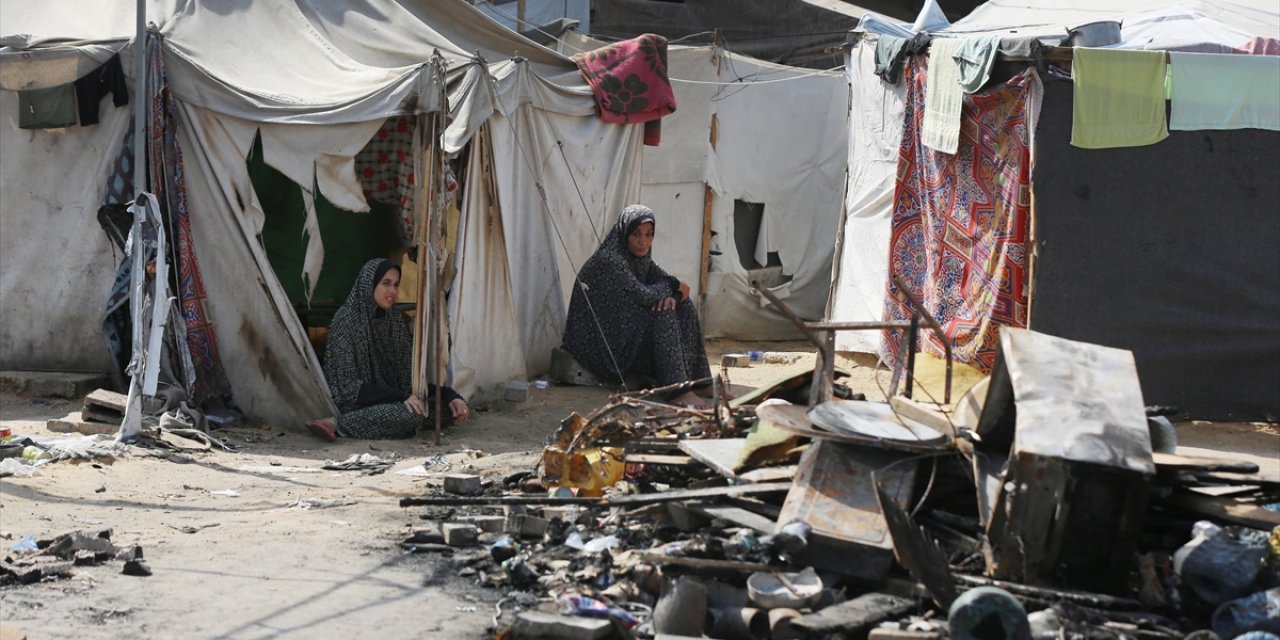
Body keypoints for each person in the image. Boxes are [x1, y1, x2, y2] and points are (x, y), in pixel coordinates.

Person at [561, 204, 713, 407]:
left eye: (649, 235)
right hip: (600, 344)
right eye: (636, 234)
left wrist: (673, 296)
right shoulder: (610, 260)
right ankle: (677, 390)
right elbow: (645, 295)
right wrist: (672, 287)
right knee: (663, 313)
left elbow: (677, 288)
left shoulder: (640, 258)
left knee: (683, 307)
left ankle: (698, 380)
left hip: (623, 331)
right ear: (624, 233)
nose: (644, 242)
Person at [307, 258, 469, 441]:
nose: (393, 291)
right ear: (369, 283)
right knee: (412, 414)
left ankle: (397, 424)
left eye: (396, 285)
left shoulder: (393, 320)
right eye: (386, 284)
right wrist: (401, 397)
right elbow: (348, 389)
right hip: (358, 405)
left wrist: (450, 395)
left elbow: (409, 381)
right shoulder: (346, 320)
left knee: (446, 409)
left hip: (394, 401)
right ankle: (336, 423)